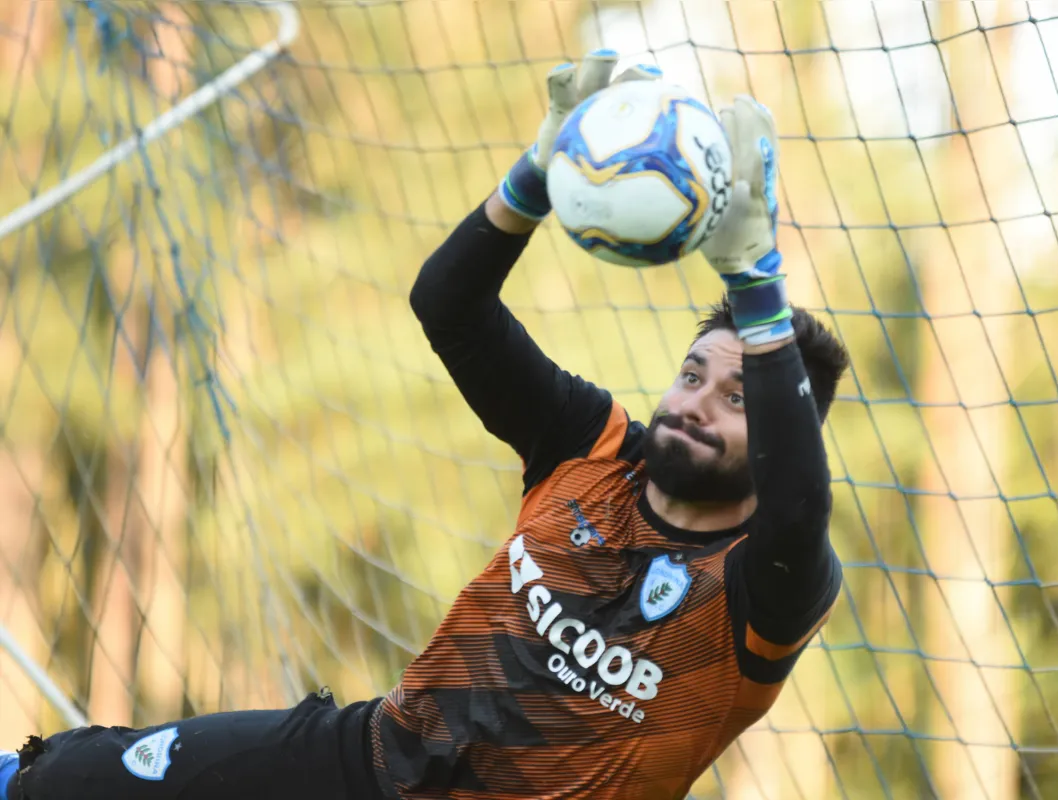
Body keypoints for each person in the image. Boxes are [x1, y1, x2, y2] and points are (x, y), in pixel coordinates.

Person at [0, 50, 848, 800]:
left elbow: (800, 509)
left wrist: (752, 278)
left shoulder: (760, 583)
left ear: (778, 434)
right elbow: (449, 304)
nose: (697, 400)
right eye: (692, 374)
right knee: (68, 777)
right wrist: (538, 166)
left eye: (738, 398)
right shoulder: (591, 448)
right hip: (367, 760)